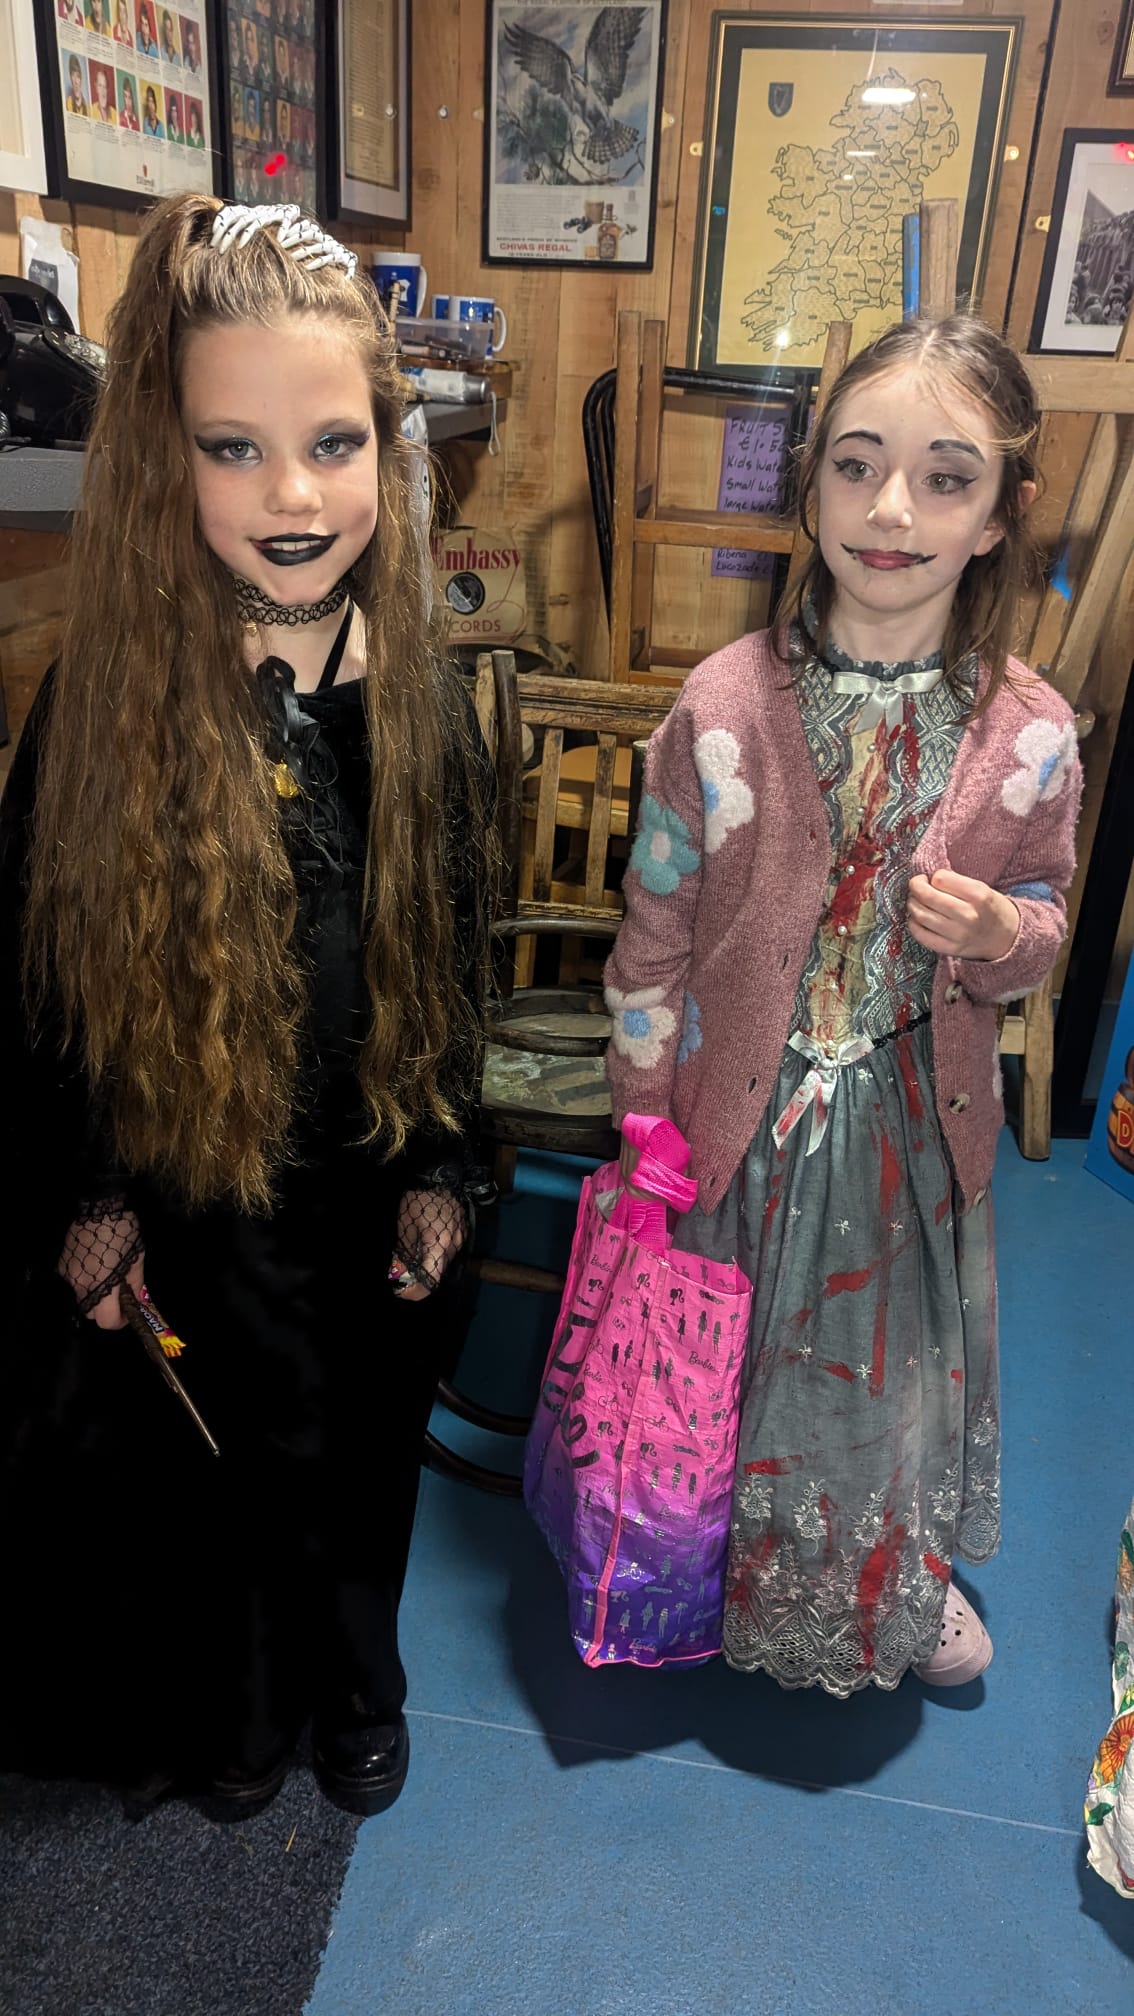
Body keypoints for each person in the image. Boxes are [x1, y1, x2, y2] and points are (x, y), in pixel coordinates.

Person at [0, 193, 491, 1821]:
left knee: (364, 1442)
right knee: (224, 1447)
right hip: (196, 1178)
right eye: (234, 450)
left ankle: (359, 1681)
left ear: (383, 452)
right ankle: (249, 1697)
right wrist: (94, 1195)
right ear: (169, 459)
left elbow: (455, 948)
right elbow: (52, 975)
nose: (292, 496)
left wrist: (443, 1164)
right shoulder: (110, 698)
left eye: (331, 445)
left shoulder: (418, 693)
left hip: (371, 1162)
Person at [604, 315, 1082, 1698]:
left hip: (907, 1136)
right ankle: (716, 1569)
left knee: (881, 1376)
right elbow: (652, 929)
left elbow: (1044, 918)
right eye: (857, 467)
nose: (891, 511)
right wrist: (643, 1115)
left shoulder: (1031, 733)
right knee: (724, 1359)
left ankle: (880, 1568)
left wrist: (997, 936)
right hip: (735, 1120)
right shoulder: (720, 706)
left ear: (999, 515)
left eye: (945, 479)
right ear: (808, 480)